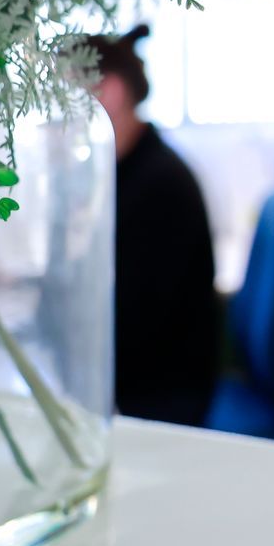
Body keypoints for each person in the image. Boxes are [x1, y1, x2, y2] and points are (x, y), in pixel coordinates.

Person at [86, 26, 221, 426]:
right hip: (138, 385)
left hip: (159, 402)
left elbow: (129, 325)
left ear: (108, 93)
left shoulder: (158, 185)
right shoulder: (125, 172)